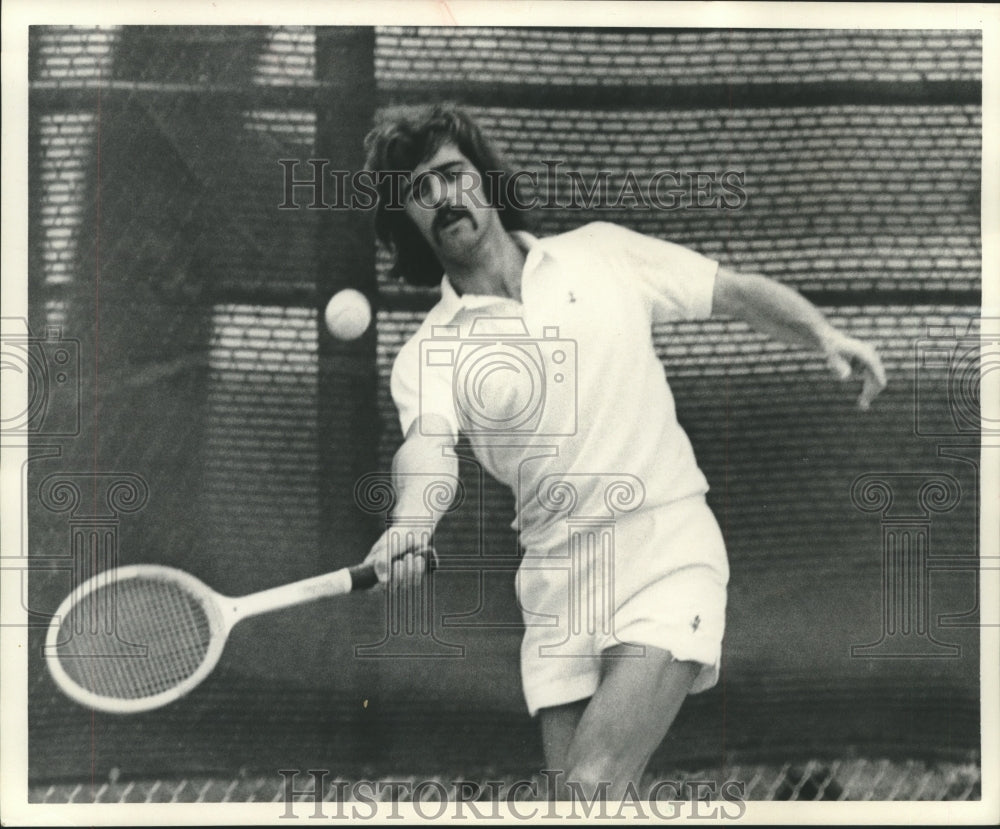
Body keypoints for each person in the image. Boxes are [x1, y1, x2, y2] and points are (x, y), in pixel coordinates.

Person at [361, 104, 886, 800]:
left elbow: (728, 291)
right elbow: (427, 447)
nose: (444, 197)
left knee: (590, 787)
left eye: (453, 174)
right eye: (419, 191)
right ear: (409, 222)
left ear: (484, 179)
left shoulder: (602, 252)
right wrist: (410, 524)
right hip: (556, 589)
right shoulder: (428, 352)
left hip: (664, 546)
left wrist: (821, 332)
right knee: (580, 803)